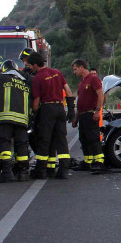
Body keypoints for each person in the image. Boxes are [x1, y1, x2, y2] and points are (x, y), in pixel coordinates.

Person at [25, 51, 75, 179]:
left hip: (47, 109)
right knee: (61, 140)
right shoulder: (57, 72)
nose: (30, 68)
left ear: (35, 65)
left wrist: (33, 116)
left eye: (30, 66)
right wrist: (70, 109)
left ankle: (41, 170)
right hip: (60, 108)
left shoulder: (38, 78)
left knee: (44, 140)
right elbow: (68, 91)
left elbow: (36, 100)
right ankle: (63, 169)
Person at [71, 58, 106, 172]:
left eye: (75, 69)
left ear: (81, 67)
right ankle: (88, 161)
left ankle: (99, 162)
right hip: (82, 115)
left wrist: (97, 110)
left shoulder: (93, 79)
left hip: (90, 113)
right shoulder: (82, 82)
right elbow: (80, 101)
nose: (74, 72)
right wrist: (76, 118)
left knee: (93, 138)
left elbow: (100, 95)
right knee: (84, 139)